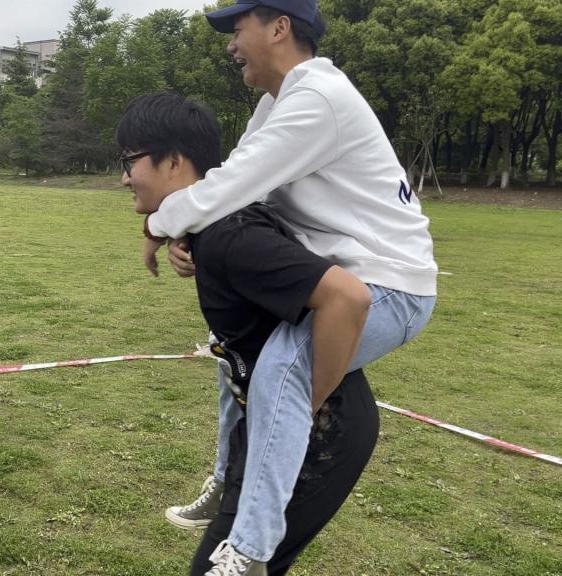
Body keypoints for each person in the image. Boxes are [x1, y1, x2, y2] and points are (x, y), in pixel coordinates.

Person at [143, 1, 438, 573]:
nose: (231, 44)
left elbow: (234, 184)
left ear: (279, 28)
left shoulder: (317, 99)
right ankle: (227, 479)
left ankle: (251, 551)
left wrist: (159, 223)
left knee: (282, 368)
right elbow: (239, 185)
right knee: (235, 352)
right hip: (352, 274)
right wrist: (186, 230)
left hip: (392, 287)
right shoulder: (278, 103)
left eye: (238, 29)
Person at [118, 91, 379, 576]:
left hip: (319, 435)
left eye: (129, 160)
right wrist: (174, 237)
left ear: (173, 161)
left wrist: (304, 407)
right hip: (263, 425)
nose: (124, 176)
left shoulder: (232, 235)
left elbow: (347, 297)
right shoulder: (210, 227)